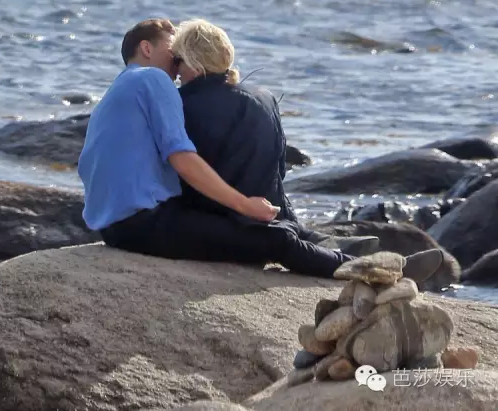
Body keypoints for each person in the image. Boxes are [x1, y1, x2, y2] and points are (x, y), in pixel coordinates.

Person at [77, 18, 443, 281]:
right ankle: (377, 273)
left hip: (119, 224)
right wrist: (243, 204)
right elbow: (182, 157)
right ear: (146, 49)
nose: (177, 67)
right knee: (274, 238)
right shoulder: (152, 79)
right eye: (174, 55)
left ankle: (332, 248)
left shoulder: (117, 93)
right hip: (143, 225)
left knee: (258, 227)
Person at [172, 18, 375, 252]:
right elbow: (279, 166)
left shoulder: (184, 104)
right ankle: (318, 240)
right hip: (273, 206)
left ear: (195, 63)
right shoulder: (264, 96)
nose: (176, 71)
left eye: (178, 60)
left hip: (227, 214)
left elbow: (186, 169)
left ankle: (321, 247)